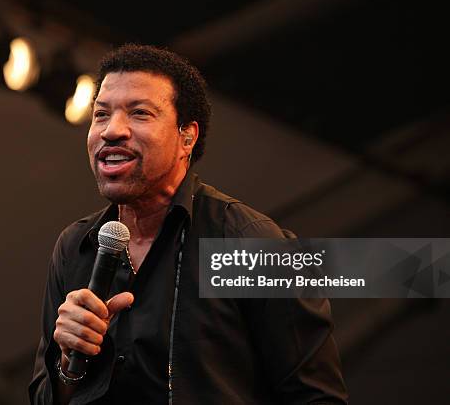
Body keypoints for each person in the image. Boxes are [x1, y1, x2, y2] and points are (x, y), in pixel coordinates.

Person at [29, 44, 348, 405]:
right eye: (101, 115)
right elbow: (46, 399)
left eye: (139, 113)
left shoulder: (251, 244)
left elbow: (317, 399)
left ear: (187, 137)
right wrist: (70, 363)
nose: (112, 130)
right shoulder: (76, 247)